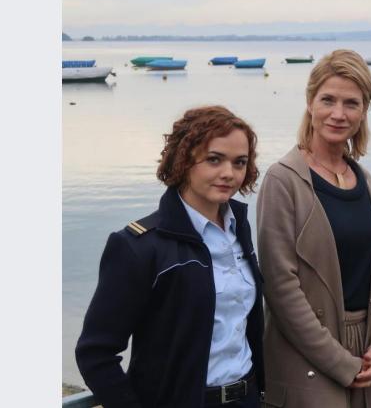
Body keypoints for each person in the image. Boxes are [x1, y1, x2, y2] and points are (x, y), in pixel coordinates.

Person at [75, 106, 264, 407]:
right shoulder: (138, 246)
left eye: (239, 162)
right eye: (214, 159)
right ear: (184, 159)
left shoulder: (239, 229)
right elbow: (95, 353)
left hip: (247, 398)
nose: (229, 173)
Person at [257, 49, 371, 408]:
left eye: (351, 103)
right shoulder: (283, 179)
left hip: (366, 357)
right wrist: (339, 362)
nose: (339, 114)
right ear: (309, 102)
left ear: (364, 110)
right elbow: (280, 287)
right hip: (308, 359)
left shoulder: (362, 178)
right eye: (328, 100)